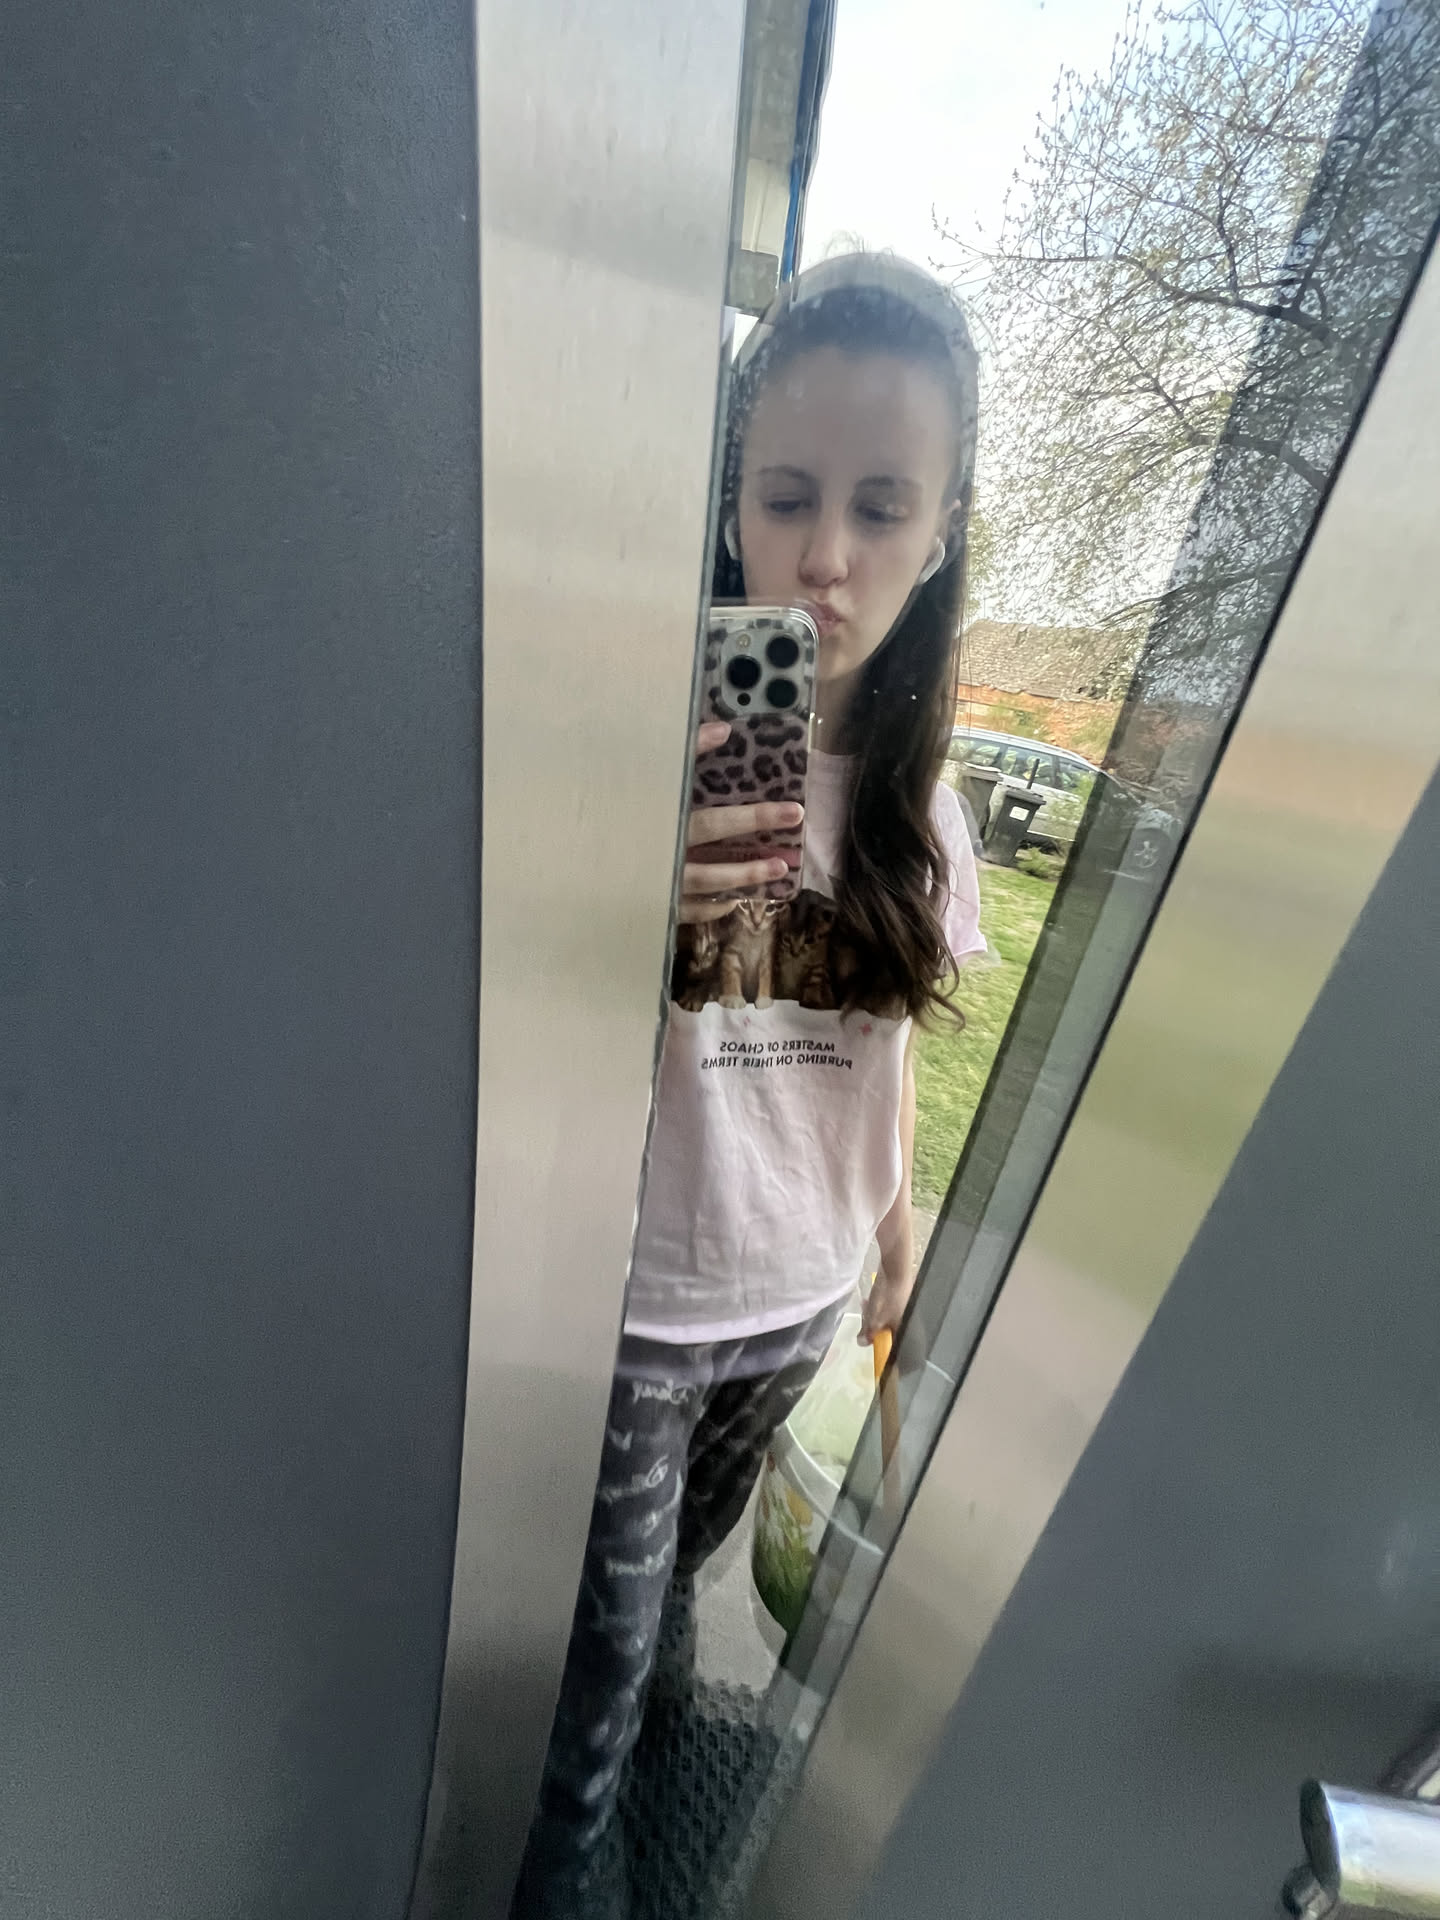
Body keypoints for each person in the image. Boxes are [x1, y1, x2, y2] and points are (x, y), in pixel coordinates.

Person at [512, 253, 985, 1919]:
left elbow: (887, 1047)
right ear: (730, 509)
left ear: (940, 534)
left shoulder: (928, 818)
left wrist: (898, 1233)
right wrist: (635, 895)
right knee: (595, 1656)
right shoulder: (632, 758)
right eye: (786, 497)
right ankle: (568, 1879)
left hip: (796, 1301)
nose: (827, 556)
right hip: (644, 1307)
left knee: (668, 1614)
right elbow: (529, 1024)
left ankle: (650, 1811)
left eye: (880, 506)